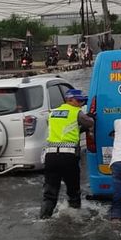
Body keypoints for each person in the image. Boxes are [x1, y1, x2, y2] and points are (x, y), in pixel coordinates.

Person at [40, 89, 94, 219]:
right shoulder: (76, 112)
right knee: (73, 190)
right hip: (68, 157)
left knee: (50, 193)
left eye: (83, 101)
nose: (81, 104)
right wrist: (91, 117)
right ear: (71, 100)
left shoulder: (53, 113)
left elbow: (66, 130)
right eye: (80, 101)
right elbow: (90, 123)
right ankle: (75, 217)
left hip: (51, 157)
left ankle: (44, 218)